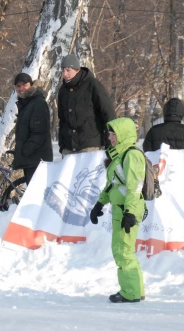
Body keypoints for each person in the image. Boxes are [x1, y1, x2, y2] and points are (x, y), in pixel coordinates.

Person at [89, 118, 146, 303]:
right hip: (121, 209)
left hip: (127, 210)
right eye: (110, 133)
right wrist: (99, 203)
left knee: (123, 251)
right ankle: (135, 290)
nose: (110, 137)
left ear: (122, 135)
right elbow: (112, 185)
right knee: (124, 250)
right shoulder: (119, 156)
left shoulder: (131, 155)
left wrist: (129, 212)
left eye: (113, 134)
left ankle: (131, 293)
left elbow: (134, 186)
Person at [57, 54, 116, 157]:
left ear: (77, 70)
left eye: (68, 70)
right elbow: (62, 120)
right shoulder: (63, 90)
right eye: (62, 70)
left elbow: (108, 113)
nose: (64, 74)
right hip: (68, 148)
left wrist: (109, 140)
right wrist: (62, 145)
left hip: (90, 146)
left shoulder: (93, 85)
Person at [11, 73, 53, 184]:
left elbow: (39, 132)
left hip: (37, 159)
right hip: (30, 159)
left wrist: (25, 150)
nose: (21, 89)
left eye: (24, 85)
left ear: (31, 85)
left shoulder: (38, 103)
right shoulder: (25, 104)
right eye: (18, 86)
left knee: (37, 195)